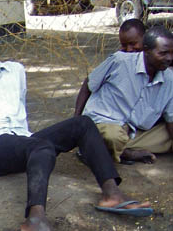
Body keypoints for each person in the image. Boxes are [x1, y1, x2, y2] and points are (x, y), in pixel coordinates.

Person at [0, 30, 153, 231]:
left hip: (22, 140)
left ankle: (111, 193)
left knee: (83, 123)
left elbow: (19, 106)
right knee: (40, 147)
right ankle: (35, 220)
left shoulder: (16, 71)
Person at [74, 26, 173, 163]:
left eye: (171, 53)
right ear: (146, 51)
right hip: (106, 123)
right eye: (163, 53)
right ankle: (125, 153)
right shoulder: (119, 61)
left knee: (120, 138)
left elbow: (170, 119)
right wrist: (76, 121)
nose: (169, 58)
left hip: (134, 132)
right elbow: (89, 84)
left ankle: (105, 148)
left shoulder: (169, 79)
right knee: (113, 136)